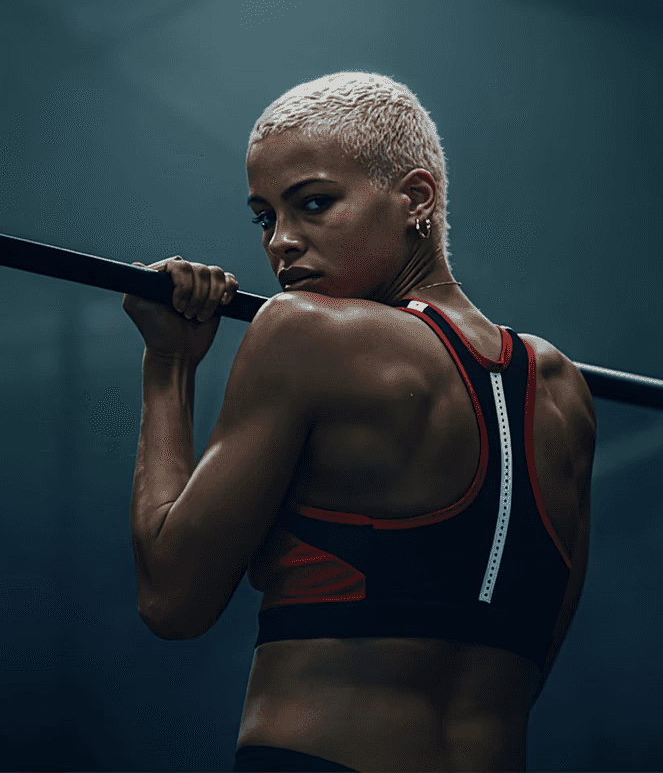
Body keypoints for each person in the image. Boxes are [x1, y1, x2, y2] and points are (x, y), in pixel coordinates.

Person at [123, 71, 596, 773]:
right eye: (264, 217)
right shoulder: (563, 389)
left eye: (313, 204)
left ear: (415, 199)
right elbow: (528, 658)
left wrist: (168, 363)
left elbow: (171, 600)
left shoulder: (304, 332)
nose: (281, 241)